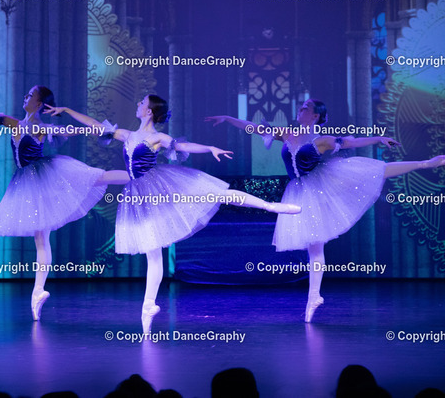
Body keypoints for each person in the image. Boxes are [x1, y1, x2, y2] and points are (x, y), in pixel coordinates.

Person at [46, 95, 300, 333]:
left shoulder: (157, 137)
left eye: (142, 102)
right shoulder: (127, 135)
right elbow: (94, 125)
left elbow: (182, 145)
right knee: (152, 251)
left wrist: (209, 147)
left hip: (159, 186)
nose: (137, 104)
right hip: (137, 191)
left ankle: (270, 206)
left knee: (216, 193)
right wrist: (67, 110)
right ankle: (148, 306)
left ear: (149, 111)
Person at [207, 99, 445, 322]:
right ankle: (314, 297)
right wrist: (228, 118)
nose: (300, 109)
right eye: (301, 107)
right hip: (299, 190)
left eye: (305, 107)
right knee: (314, 246)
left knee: (373, 172)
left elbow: (352, 142)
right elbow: (253, 128)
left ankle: (425, 163)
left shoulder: (322, 140)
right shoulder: (287, 134)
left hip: (318, 189)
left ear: (315, 116)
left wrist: (378, 139)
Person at [0, 85, 123, 321]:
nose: (25, 96)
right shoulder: (14, 123)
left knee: (97, 178)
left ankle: (135, 176)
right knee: (41, 240)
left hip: (46, 176)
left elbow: (70, 131)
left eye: (30, 94)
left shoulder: (40, 127)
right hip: (27, 183)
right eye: (25, 93)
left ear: (39, 103)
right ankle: (38, 292)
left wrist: (96, 129)